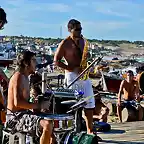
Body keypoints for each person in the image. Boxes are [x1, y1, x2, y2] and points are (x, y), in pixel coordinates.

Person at [54, 19, 98, 137]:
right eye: (77, 29)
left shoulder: (84, 41)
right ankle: (73, 131)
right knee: (73, 104)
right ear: (70, 30)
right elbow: (56, 61)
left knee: (89, 103)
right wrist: (70, 68)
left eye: (80, 29)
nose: (80, 31)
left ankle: (90, 130)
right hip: (72, 75)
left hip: (84, 74)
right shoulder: (65, 43)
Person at [6, 51, 53, 144]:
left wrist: (35, 102)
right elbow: (17, 103)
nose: (36, 63)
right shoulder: (18, 77)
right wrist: (39, 105)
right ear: (26, 63)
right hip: (14, 118)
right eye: (33, 60)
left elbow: (24, 102)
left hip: (23, 114)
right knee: (47, 124)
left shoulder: (26, 77)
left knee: (51, 120)